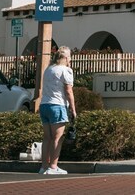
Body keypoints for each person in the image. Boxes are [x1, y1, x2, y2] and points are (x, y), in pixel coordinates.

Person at [39, 46, 76, 175]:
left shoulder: (49, 69)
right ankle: (53, 167)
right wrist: (73, 108)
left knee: (47, 137)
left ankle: (44, 166)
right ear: (66, 58)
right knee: (57, 138)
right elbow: (68, 91)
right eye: (70, 56)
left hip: (44, 105)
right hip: (58, 105)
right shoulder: (66, 71)